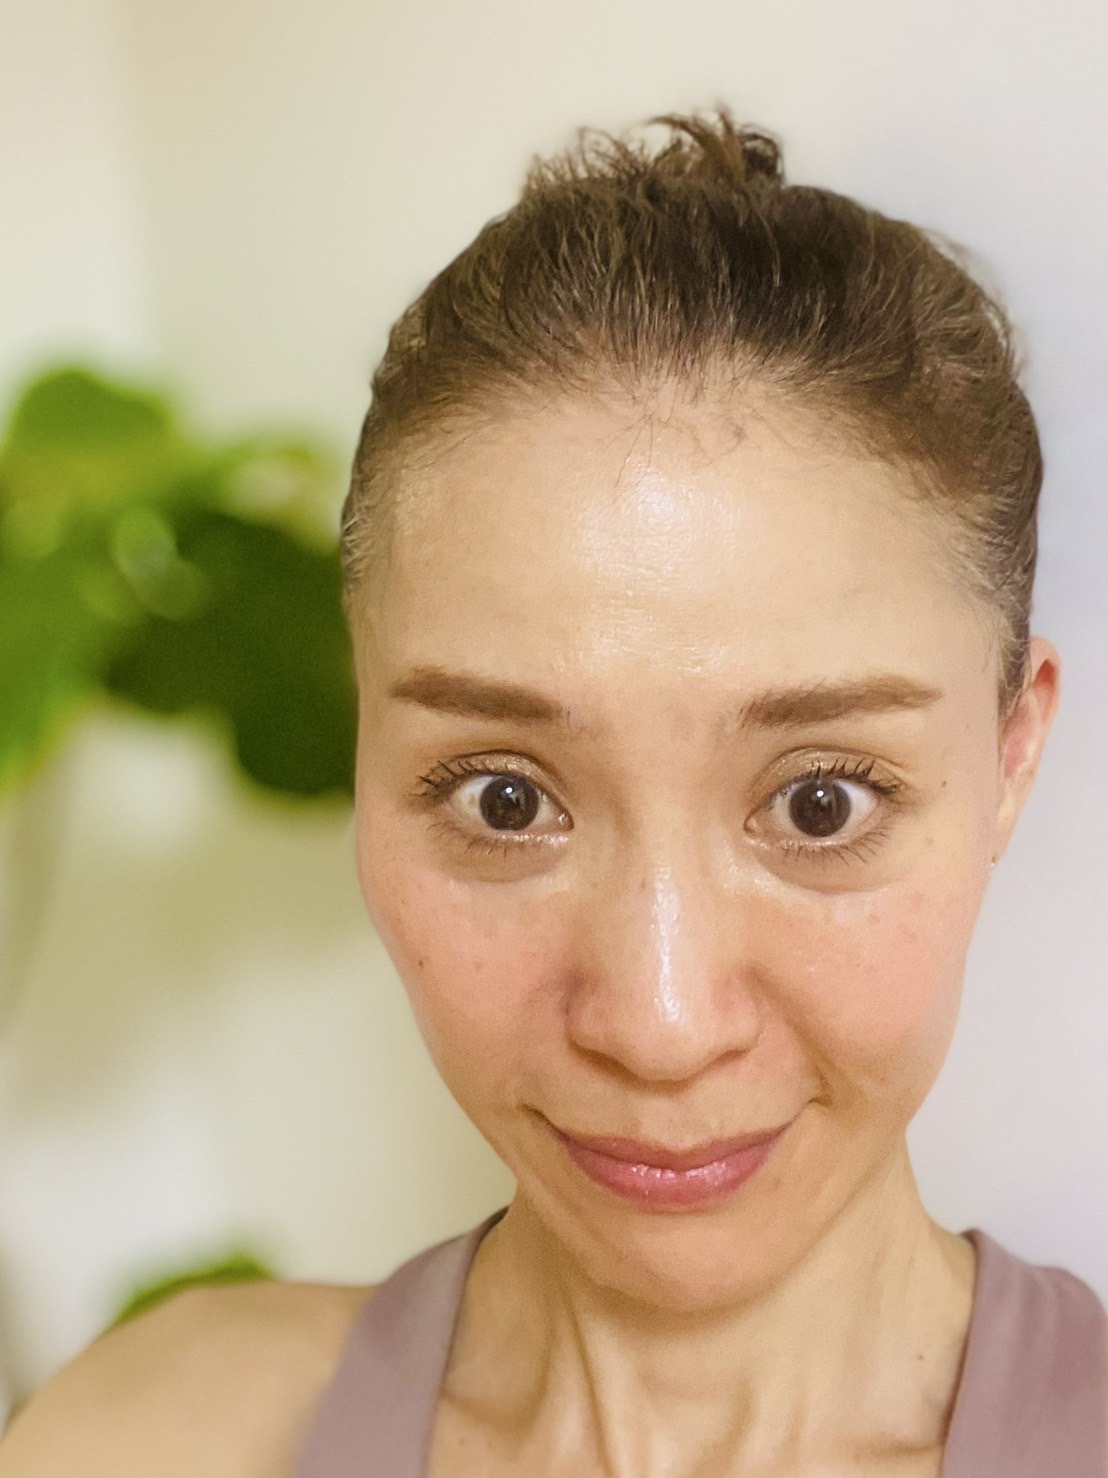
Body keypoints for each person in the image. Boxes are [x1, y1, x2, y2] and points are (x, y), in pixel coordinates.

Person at [1, 111, 1104, 1478]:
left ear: (1010, 754)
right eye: (506, 802)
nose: (658, 1025)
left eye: (821, 803)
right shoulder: (154, 1437)